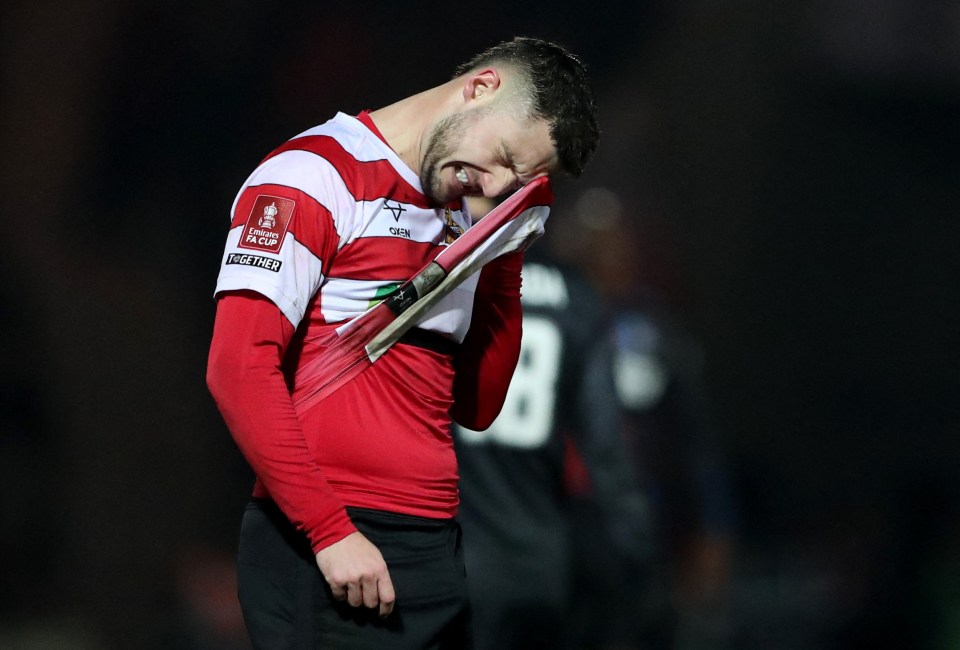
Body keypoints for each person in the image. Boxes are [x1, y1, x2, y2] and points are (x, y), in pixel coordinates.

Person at [205, 36, 599, 650]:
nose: (493, 183)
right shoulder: (312, 174)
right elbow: (236, 369)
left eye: (516, 180)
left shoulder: (467, 214)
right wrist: (329, 532)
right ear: (481, 86)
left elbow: (478, 404)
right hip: (330, 545)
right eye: (500, 156)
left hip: (435, 544)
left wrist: (502, 258)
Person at [451, 217, 655, 650]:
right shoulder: (579, 302)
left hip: (456, 553)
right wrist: (635, 549)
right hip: (542, 559)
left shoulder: (455, 283)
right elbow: (606, 447)